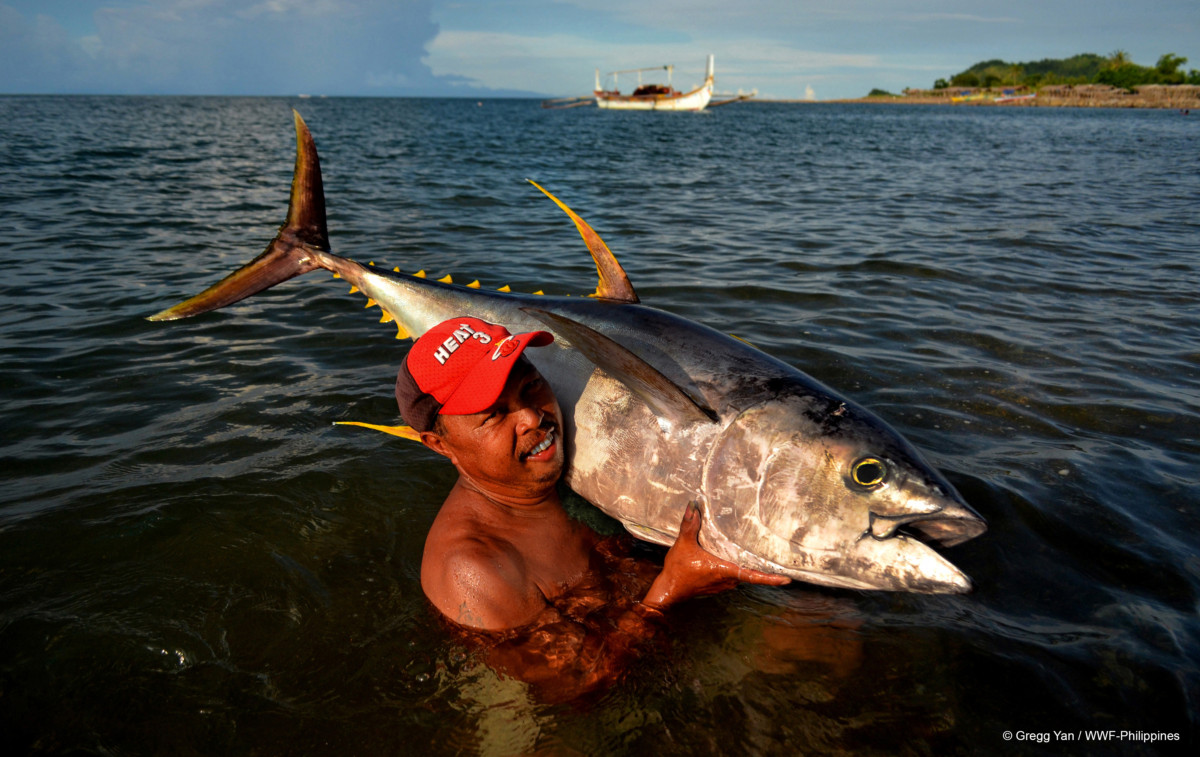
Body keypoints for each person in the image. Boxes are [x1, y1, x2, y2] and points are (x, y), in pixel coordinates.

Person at [395, 316, 789, 696]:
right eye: (495, 415)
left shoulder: (558, 480)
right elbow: (571, 685)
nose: (532, 417)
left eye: (531, 386)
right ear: (439, 444)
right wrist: (670, 591)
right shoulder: (473, 568)